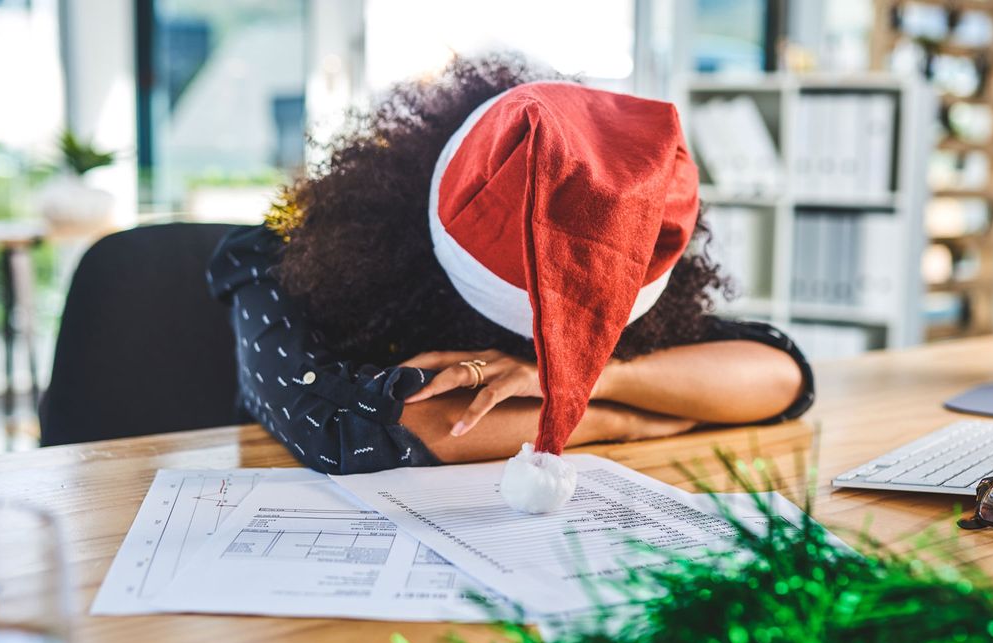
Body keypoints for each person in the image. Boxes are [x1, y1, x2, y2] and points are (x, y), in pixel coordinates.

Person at [207, 54, 814, 477]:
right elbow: (340, 430)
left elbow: (780, 375)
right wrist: (617, 419)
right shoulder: (284, 256)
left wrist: (571, 381)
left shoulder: (630, 241)